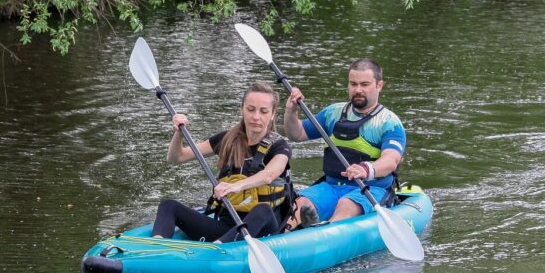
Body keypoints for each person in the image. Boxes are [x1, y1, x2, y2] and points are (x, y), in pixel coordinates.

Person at [152, 82, 293, 243]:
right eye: (250, 109)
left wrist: (234, 186)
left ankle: (217, 251)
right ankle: (157, 246)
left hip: (262, 229)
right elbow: (176, 158)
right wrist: (178, 134)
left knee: (263, 210)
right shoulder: (227, 139)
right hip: (227, 226)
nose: (256, 117)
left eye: (263, 111)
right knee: (169, 205)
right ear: (242, 109)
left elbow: (269, 175)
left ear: (273, 114)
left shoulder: (280, 146)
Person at [283, 58, 405, 227]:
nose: (358, 90)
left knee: (346, 204)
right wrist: (291, 111)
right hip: (331, 186)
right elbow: (297, 134)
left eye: (364, 84)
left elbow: (391, 160)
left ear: (379, 86)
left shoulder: (389, 123)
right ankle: (284, 238)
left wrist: (366, 169)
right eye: (353, 84)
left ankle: (324, 234)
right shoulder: (333, 113)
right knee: (300, 204)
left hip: (369, 189)